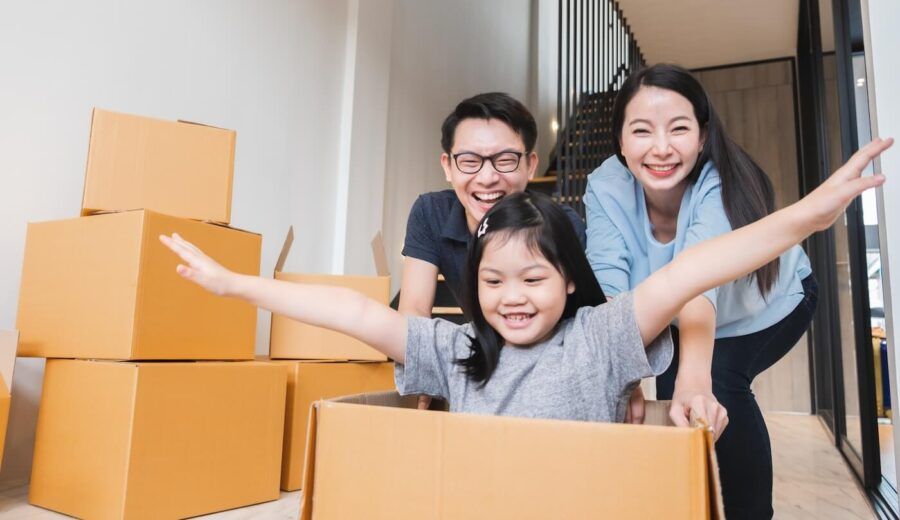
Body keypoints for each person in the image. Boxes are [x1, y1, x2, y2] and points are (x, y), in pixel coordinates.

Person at [159, 136, 889, 434]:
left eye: (534, 277)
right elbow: (351, 309)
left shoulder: (604, 337)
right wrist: (237, 286)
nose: (513, 296)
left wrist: (808, 214)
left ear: (569, 283)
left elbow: (701, 267)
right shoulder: (451, 350)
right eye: (494, 280)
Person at [584, 63, 817, 519]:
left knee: (716, 383)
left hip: (770, 305)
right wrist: (624, 378)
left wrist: (697, 380)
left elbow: (697, 286)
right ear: (620, 141)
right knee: (677, 400)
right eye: (642, 131)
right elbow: (609, 291)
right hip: (682, 312)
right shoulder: (604, 187)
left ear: (703, 135)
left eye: (679, 129)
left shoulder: (718, 184)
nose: (662, 148)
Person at [398, 92, 585, 321]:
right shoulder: (431, 213)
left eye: (505, 160)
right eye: (469, 161)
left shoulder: (561, 225)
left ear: (530, 165)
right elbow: (413, 316)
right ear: (448, 167)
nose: (487, 178)